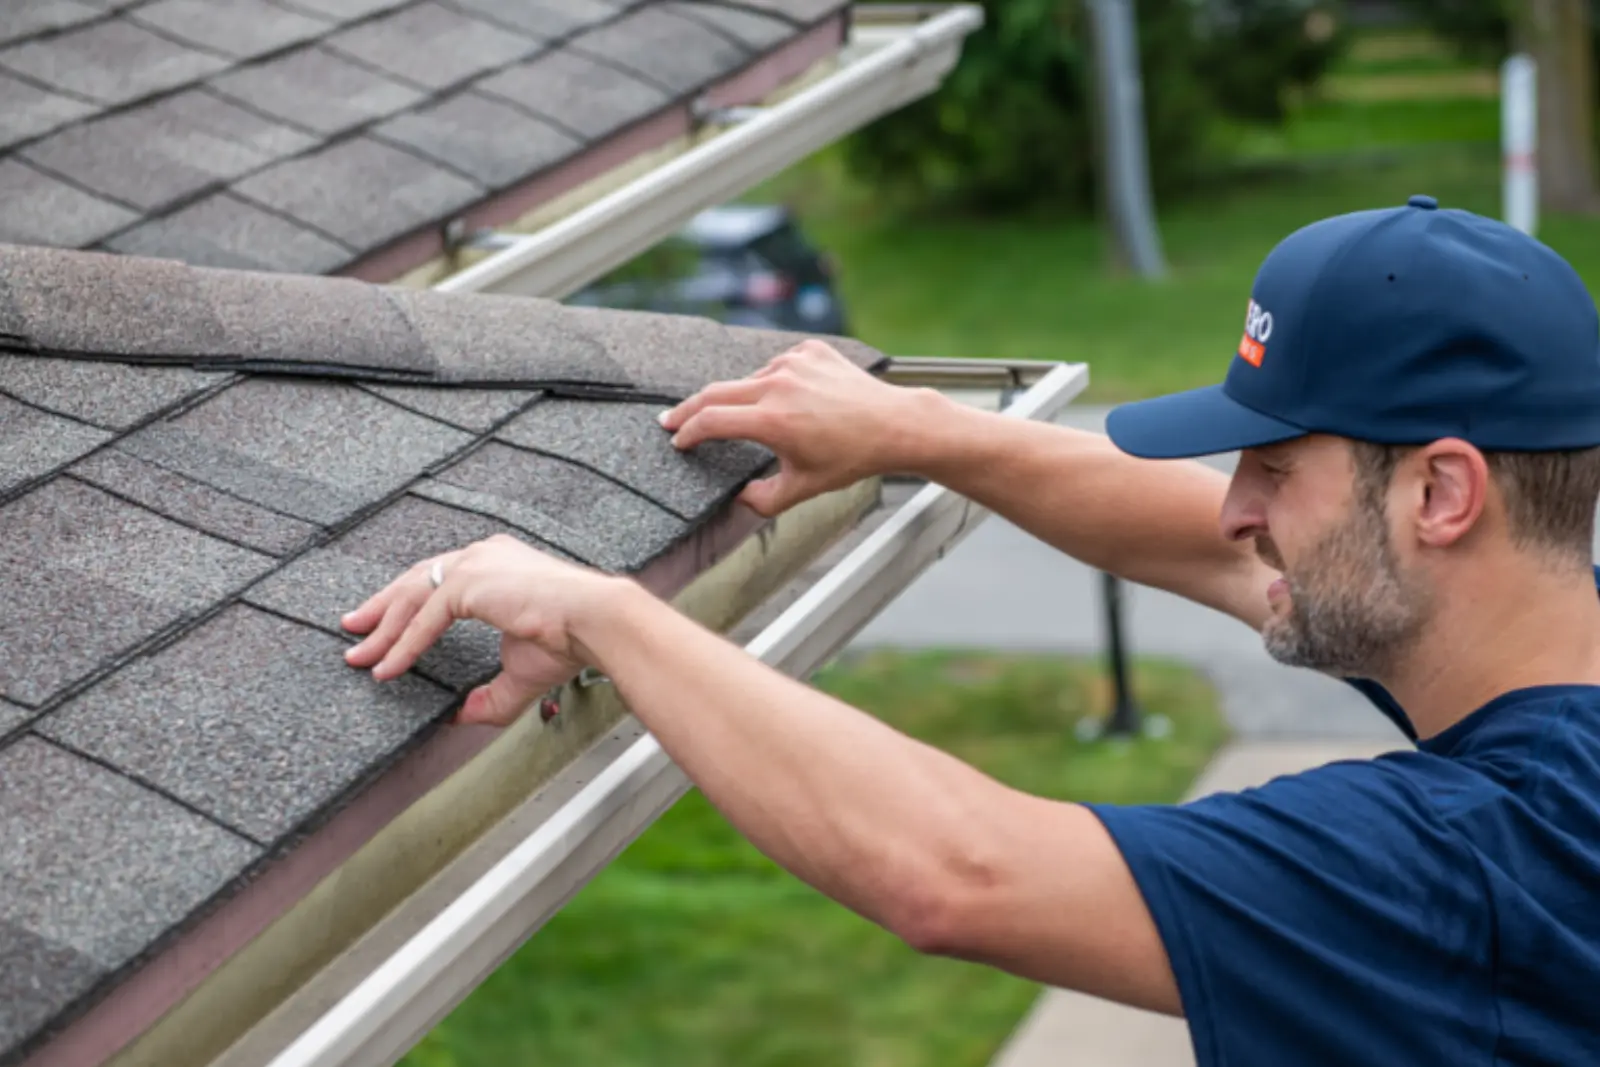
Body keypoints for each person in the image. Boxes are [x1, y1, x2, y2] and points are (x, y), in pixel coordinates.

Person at [342, 196, 1600, 1063]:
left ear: (1441, 494)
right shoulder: (1543, 638)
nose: (1232, 509)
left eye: (1272, 466)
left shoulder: (1487, 869)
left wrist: (601, 608)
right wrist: (917, 432)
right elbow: (1211, 540)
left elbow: (957, 871)